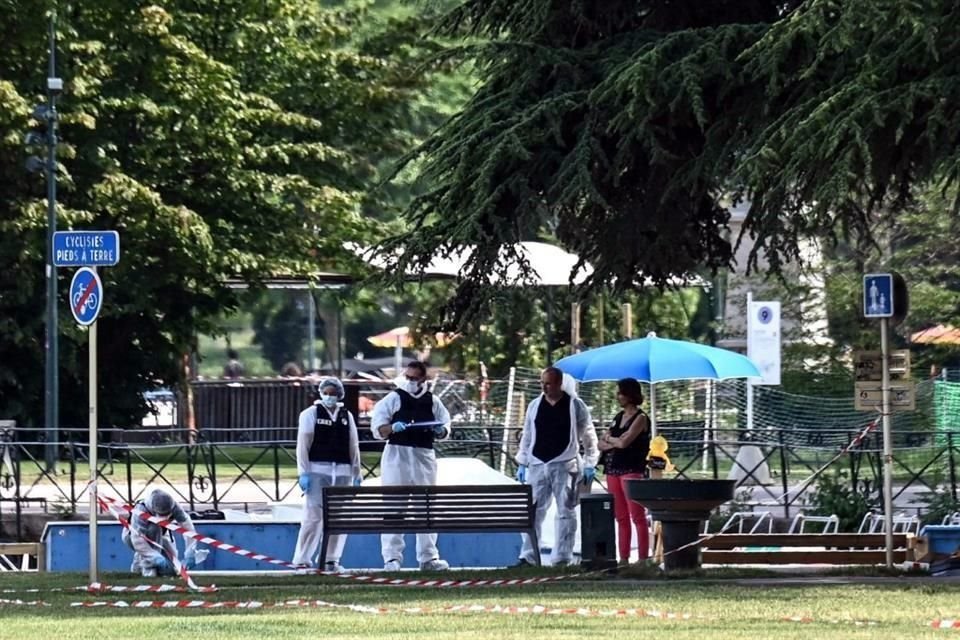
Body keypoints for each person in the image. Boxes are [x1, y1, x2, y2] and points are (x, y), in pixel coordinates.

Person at [371, 361, 452, 571]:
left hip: (423, 455)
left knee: (425, 507)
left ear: (423, 379)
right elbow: (378, 426)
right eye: (407, 377)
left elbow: (445, 423)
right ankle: (391, 558)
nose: (410, 382)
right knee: (393, 506)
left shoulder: (433, 401)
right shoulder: (394, 398)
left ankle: (428, 557)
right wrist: (392, 427)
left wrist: (441, 431)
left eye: (414, 378)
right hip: (397, 455)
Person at [515, 366, 599, 567]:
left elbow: (588, 435)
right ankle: (529, 556)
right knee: (533, 511)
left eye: (549, 383)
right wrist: (523, 461)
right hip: (537, 463)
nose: (544, 387)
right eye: (542, 383)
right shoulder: (534, 405)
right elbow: (527, 434)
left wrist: (590, 462)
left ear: (559, 384)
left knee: (565, 512)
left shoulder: (576, 406)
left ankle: (562, 557)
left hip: (565, 463)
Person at [292, 377, 361, 571]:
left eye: (333, 393)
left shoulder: (346, 416)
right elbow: (303, 445)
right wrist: (303, 472)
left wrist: (356, 473)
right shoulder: (310, 414)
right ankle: (302, 558)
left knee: (339, 517)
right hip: (317, 471)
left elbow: (353, 445)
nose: (330, 396)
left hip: (342, 472)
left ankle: (332, 559)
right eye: (326, 393)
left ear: (340, 395)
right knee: (313, 517)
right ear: (321, 393)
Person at [598, 378, 651, 565]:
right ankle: (624, 557)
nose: (618, 396)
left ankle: (644, 557)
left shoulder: (641, 418)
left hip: (631, 469)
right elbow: (601, 442)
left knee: (637, 515)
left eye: (621, 392)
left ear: (630, 394)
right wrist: (612, 440)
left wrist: (611, 440)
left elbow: (623, 442)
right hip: (613, 469)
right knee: (620, 516)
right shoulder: (618, 417)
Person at [122, 488, 208, 577]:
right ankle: (148, 567)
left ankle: (141, 566)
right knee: (154, 528)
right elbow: (137, 539)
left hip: (161, 535)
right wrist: (155, 558)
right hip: (133, 537)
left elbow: (187, 527)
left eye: (167, 514)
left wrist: (190, 551)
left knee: (172, 568)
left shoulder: (175, 507)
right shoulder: (141, 509)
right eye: (161, 515)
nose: (165, 518)